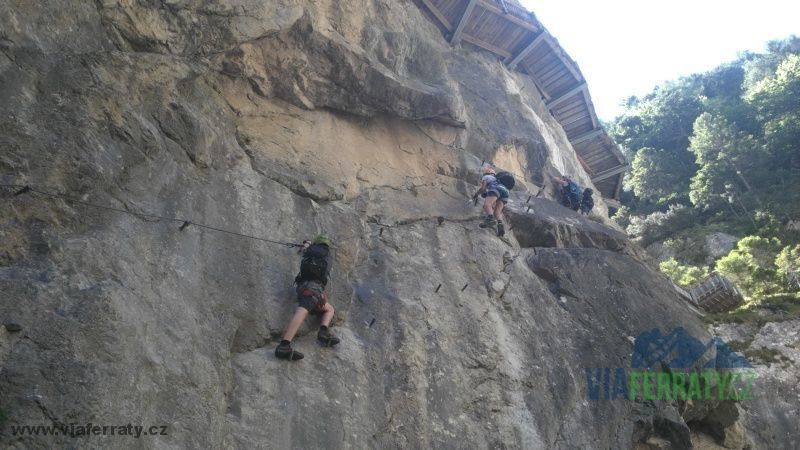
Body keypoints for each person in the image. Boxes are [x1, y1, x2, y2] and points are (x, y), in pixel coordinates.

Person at [274, 233, 340, 361]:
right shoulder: (326, 255)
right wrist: (309, 245)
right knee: (303, 310)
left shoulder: (315, 251)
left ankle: (323, 332)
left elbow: (307, 250)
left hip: (309, 288)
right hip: (313, 288)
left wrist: (307, 244)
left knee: (329, 309)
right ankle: (284, 345)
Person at [473, 167, 509, 237]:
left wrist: (477, 194)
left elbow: (483, 188)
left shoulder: (486, 177)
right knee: (497, 212)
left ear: (486, 173)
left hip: (496, 189)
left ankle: (490, 218)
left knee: (487, 205)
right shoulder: (497, 179)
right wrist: (487, 194)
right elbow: (492, 193)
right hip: (506, 192)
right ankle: (500, 226)